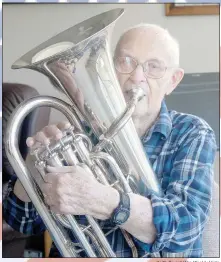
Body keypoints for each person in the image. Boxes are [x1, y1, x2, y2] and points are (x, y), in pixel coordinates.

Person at [3, 24, 217, 258]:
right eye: (126, 61)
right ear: (111, 69)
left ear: (173, 80)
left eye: (153, 67)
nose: (136, 77)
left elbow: (184, 232)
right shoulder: (78, 134)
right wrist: (33, 170)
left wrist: (102, 200)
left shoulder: (192, 132)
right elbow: (22, 222)